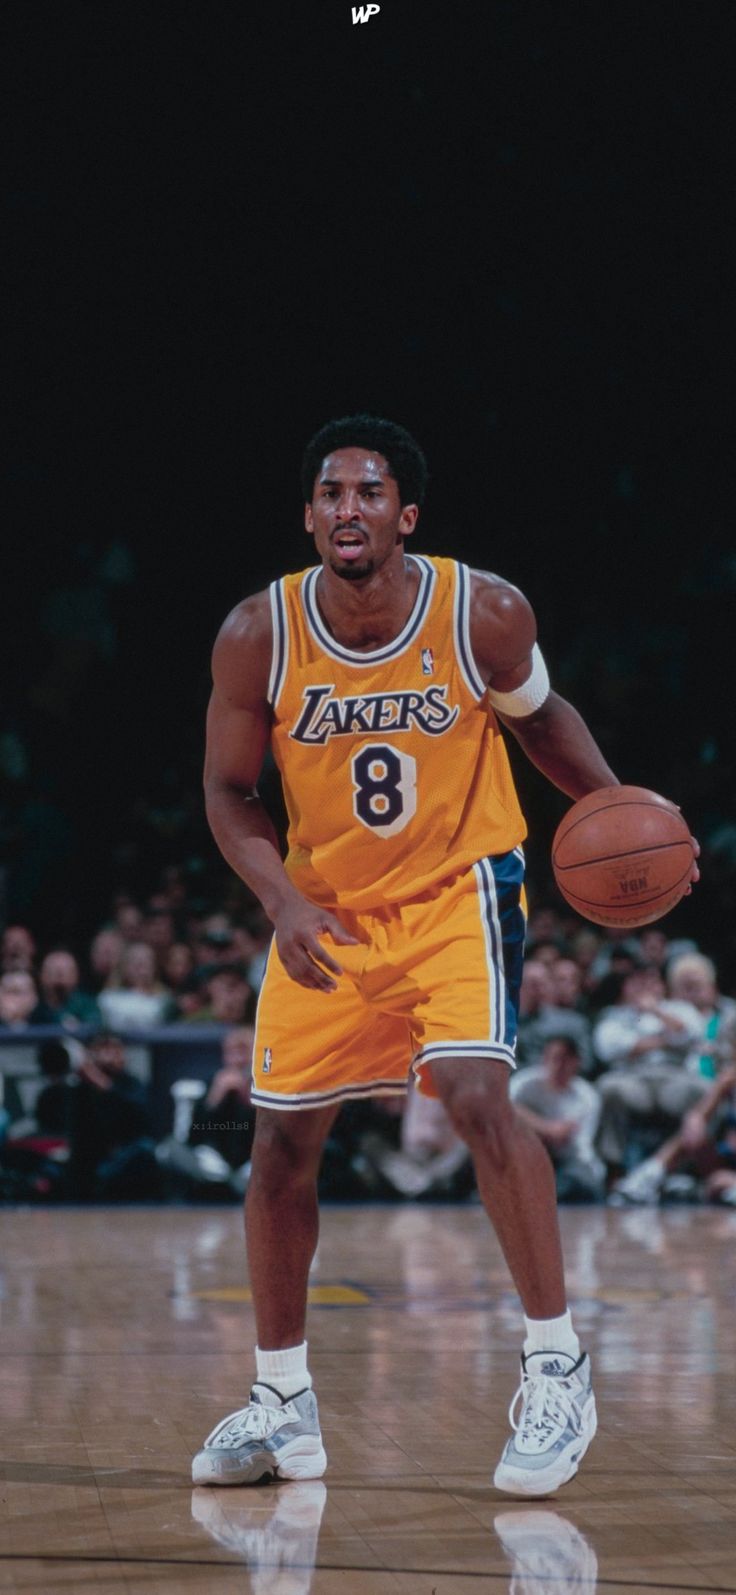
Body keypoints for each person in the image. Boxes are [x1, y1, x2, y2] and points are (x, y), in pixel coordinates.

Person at [193, 412, 696, 1496]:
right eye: (329, 493)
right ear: (309, 515)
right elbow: (229, 792)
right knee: (278, 1148)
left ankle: (556, 1362)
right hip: (323, 909)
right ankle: (282, 1401)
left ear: (404, 515)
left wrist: (626, 813)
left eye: (368, 492)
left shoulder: (484, 610)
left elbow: (539, 717)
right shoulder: (257, 631)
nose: (346, 509)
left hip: (456, 890)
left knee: (474, 1092)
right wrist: (279, 899)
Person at [510, 1033, 606, 1202]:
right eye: (553, 1058)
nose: (558, 1065)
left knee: (585, 1183)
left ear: (576, 1063)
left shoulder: (586, 1096)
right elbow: (504, 1109)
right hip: (525, 1154)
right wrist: (546, 1128)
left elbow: (578, 1145)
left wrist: (535, 1125)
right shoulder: (524, 1084)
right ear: (544, 1059)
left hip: (566, 1160)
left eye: (565, 1060)